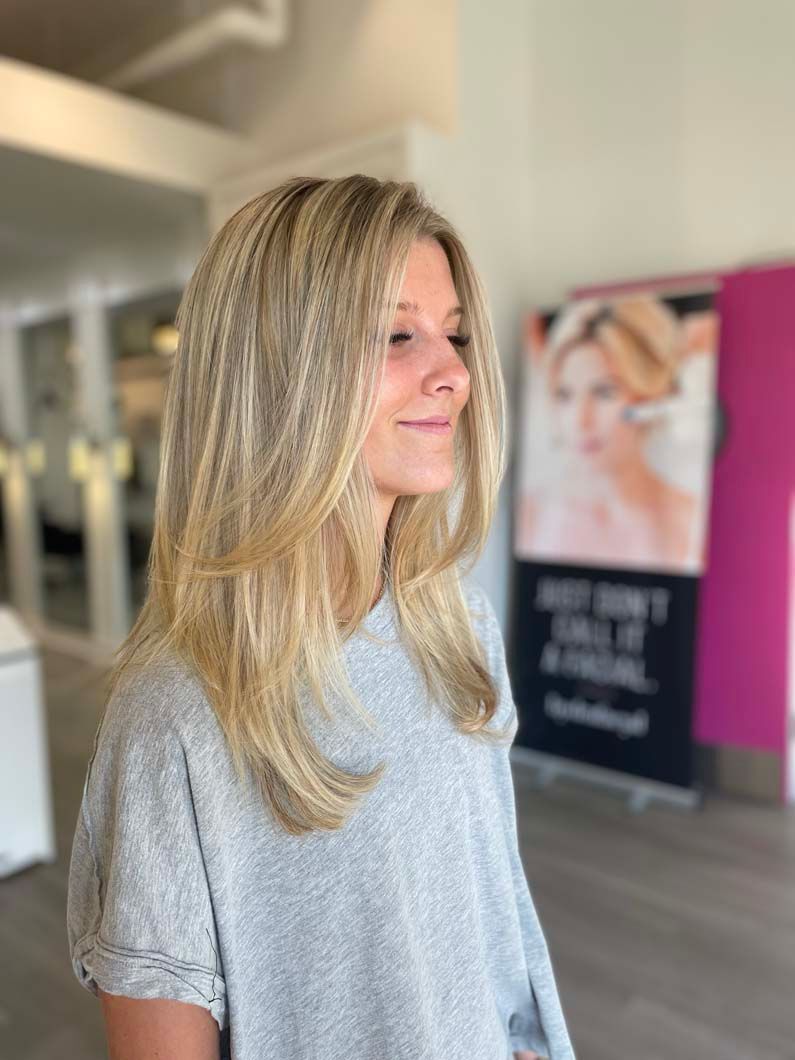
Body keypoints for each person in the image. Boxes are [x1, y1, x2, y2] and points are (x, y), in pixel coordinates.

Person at [66, 174, 575, 1059]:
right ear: (278, 370)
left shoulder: (457, 625)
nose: (454, 372)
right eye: (395, 334)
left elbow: (487, 911)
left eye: (452, 333)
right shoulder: (175, 716)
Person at [517, 296, 701, 573]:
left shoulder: (691, 519)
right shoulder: (533, 512)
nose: (581, 421)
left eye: (604, 393)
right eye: (565, 395)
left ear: (650, 396)